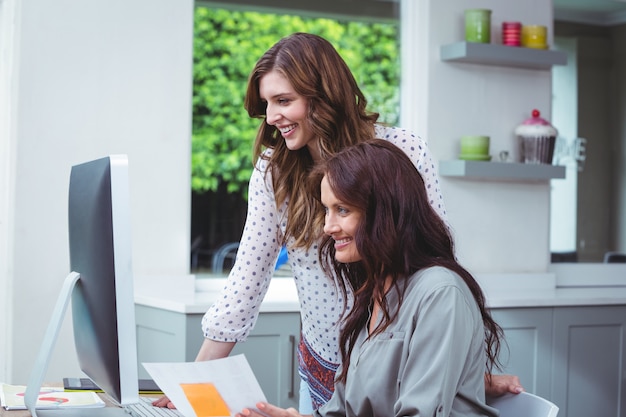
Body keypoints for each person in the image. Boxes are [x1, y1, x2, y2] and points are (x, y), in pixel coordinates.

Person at [153, 32, 522, 412]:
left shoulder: (401, 152)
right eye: (266, 103)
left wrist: (453, 366)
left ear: (323, 96)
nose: (271, 116)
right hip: (329, 365)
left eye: (283, 100)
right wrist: (192, 384)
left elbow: (433, 262)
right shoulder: (274, 172)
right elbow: (245, 284)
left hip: (400, 361)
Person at [236, 139, 503, 417]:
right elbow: (344, 411)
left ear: (385, 211)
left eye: (343, 210)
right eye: (326, 210)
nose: (328, 227)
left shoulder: (440, 293)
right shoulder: (374, 294)